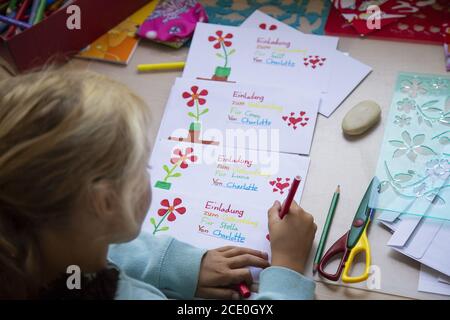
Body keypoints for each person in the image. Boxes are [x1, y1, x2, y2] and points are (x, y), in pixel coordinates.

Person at [0, 69, 317, 300]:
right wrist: (286, 270)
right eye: (143, 167)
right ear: (105, 203)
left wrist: (175, 265)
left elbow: (94, 246)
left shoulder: (34, 242)